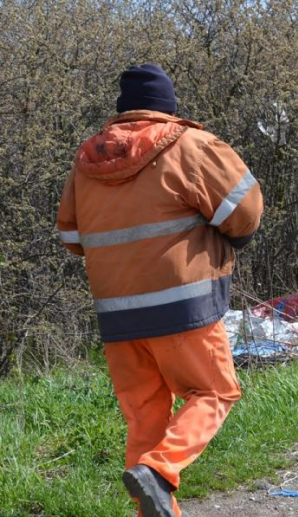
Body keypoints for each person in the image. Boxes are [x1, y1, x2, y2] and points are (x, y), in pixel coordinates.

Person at [57, 64, 264, 516]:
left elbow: (71, 238)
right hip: (183, 306)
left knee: (145, 419)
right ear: (168, 106)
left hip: (117, 315)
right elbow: (245, 211)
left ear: (123, 109)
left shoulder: (88, 160)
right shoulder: (191, 145)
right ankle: (159, 469)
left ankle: (152, 498)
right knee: (215, 392)